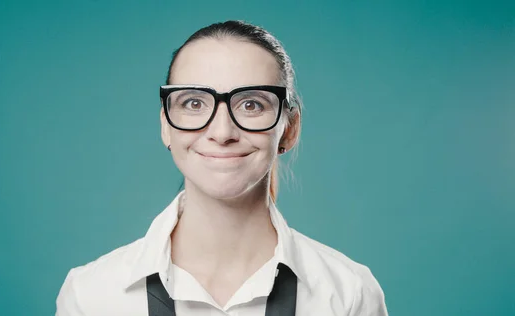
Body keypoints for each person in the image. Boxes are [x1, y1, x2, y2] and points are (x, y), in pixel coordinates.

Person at [55, 20, 388, 316]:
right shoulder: (91, 297)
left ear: (289, 128)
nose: (222, 132)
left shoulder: (350, 296)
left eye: (252, 104)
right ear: (166, 126)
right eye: (194, 103)